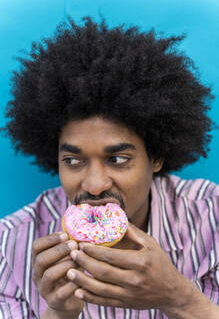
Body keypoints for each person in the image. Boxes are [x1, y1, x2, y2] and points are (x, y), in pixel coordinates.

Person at [0, 17, 218, 319]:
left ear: (156, 158)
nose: (94, 185)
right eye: (73, 161)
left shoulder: (213, 217)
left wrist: (179, 298)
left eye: (117, 159)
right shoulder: (9, 243)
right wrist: (58, 314)